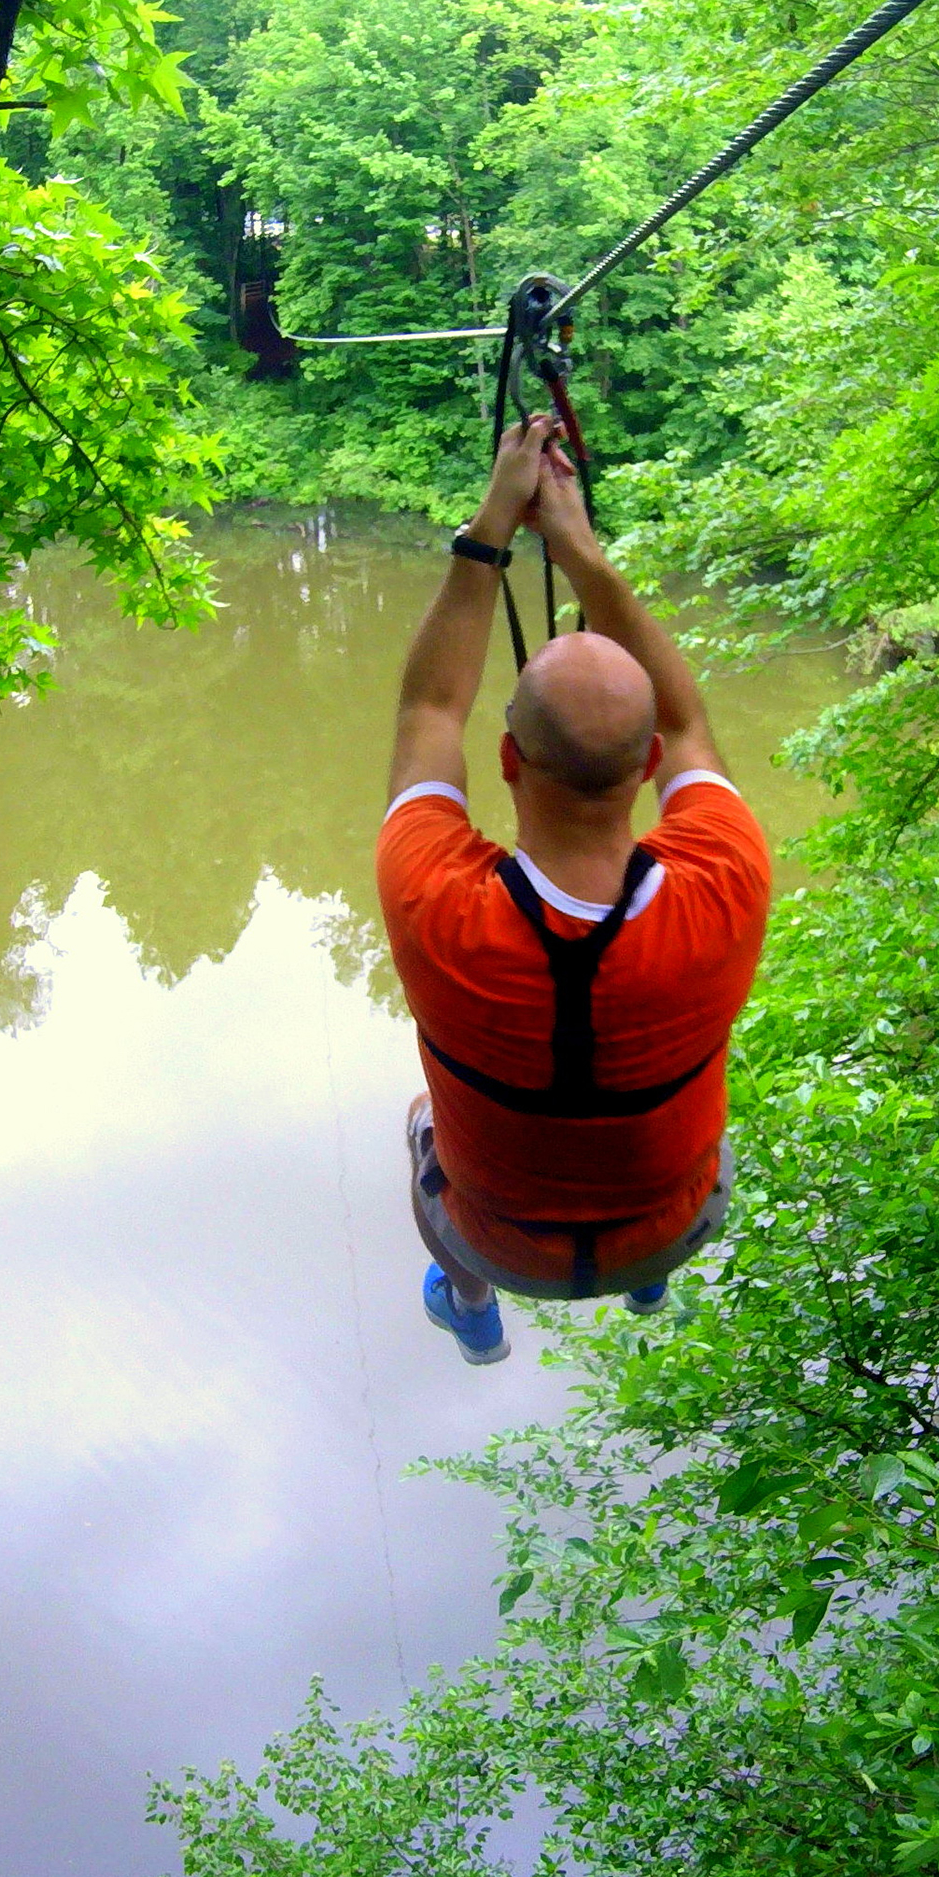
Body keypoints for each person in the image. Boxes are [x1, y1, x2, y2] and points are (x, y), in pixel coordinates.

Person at [377, 414, 772, 1365]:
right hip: (677, 1223)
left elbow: (429, 708)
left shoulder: (437, 901)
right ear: (643, 770)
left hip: (506, 1247)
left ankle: (469, 1302)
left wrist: (492, 532)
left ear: (509, 758)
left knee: (419, 1120)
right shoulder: (724, 879)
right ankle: (647, 1280)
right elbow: (688, 725)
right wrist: (580, 552)